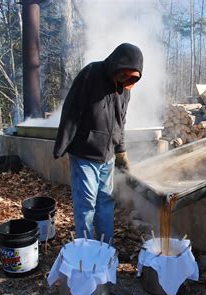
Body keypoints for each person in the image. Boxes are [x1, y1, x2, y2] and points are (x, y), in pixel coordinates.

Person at [53, 43, 143, 241]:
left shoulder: (125, 88)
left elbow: (121, 120)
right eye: (123, 74)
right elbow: (72, 109)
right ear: (116, 64)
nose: (124, 80)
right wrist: (61, 146)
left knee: (105, 202)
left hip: (108, 156)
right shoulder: (91, 73)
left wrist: (121, 151)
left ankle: (105, 248)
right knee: (86, 204)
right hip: (84, 154)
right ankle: (85, 249)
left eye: (130, 78)